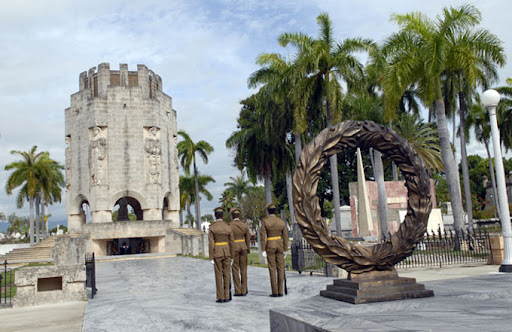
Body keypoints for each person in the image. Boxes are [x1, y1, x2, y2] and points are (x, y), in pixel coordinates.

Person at [260, 203, 288, 297]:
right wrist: (285, 248)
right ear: (275, 211)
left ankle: (275, 291)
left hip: (270, 244)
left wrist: (263, 249)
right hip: (279, 244)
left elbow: (262, 236)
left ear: (268, 211)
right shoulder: (281, 221)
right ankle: (280, 291)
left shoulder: (265, 221)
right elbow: (285, 236)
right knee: (280, 268)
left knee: (272, 268)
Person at [209, 207, 234, 303]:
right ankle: (227, 295)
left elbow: (211, 243)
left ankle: (220, 297)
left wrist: (211, 257)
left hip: (217, 252)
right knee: (227, 274)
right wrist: (232, 256)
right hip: (227, 252)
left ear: (215, 216)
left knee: (218, 275)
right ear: (223, 216)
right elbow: (232, 242)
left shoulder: (212, 227)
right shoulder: (228, 227)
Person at [229, 207, 250, 296]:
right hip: (243, 246)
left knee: (235, 269)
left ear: (232, 215)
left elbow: (229, 239)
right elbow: (248, 239)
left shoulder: (230, 225)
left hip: (234, 248)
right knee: (244, 269)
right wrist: (247, 249)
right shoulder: (244, 225)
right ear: (239, 215)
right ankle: (244, 289)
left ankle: (238, 290)